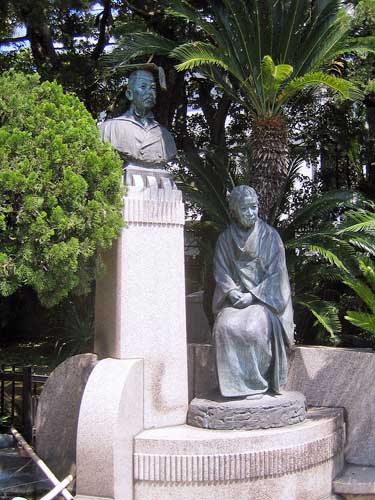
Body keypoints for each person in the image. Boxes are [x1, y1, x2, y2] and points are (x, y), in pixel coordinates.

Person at [212, 185, 294, 398]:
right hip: (236, 300)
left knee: (252, 329)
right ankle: (233, 387)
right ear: (234, 211)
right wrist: (230, 292)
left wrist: (253, 295)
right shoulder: (225, 239)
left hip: (263, 301)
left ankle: (257, 383)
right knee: (224, 326)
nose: (250, 212)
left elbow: (278, 274)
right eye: (245, 209)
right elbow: (220, 270)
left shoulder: (270, 236)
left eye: (253, 207)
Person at [100, 69, 177, 167]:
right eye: (143, 87)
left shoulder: (165, 135)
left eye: (152, 88)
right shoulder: (109, 129)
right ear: (129, 94)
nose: (149, 92)